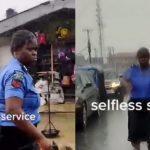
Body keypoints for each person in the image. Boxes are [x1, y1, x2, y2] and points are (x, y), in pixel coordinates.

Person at [0, 30, 52, 150]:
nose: (34, 53)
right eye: (29, 49)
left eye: (35, 49)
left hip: (21, 135)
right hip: (15, 137)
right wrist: (40, 138)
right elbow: (13, 110)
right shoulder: (16, 74)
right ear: (16, 51)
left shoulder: (20, 71)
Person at [123, 47, 150, 150]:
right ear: (138, 59)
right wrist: (127, 84)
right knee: (135, 135)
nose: (143, 59)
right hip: (135, 104)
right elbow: (124, 79)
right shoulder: (133, 70)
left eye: (145, 57)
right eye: (141, 57)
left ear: (148, 57)